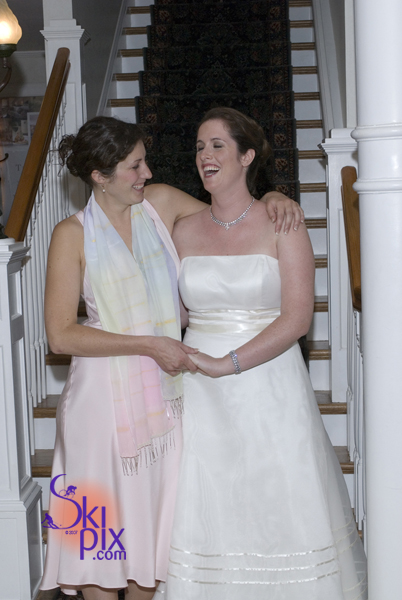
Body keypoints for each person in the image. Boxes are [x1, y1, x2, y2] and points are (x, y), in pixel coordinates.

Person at [39, 116, 303, 600]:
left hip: (165, 400)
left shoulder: (159, 204)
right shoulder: (70, 235)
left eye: (145, 162)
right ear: (100, 176)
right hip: (99, 407)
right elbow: (60, 335)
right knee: (98, 545)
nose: (147, 173)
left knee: (154, 541)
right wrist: (147, 344)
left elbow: (230, 212)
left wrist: (272, 196)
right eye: (134, 166)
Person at [163, 108, 368, 600]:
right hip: (199, 388)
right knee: (209, 498)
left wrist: (226, 363)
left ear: (247, 155)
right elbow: (176, 313)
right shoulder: (181, 229)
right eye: (199, 146)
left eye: (217, 145)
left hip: (268, 382)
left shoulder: (284, 222)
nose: (205, 155)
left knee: (275, 495)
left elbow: (297, 318)